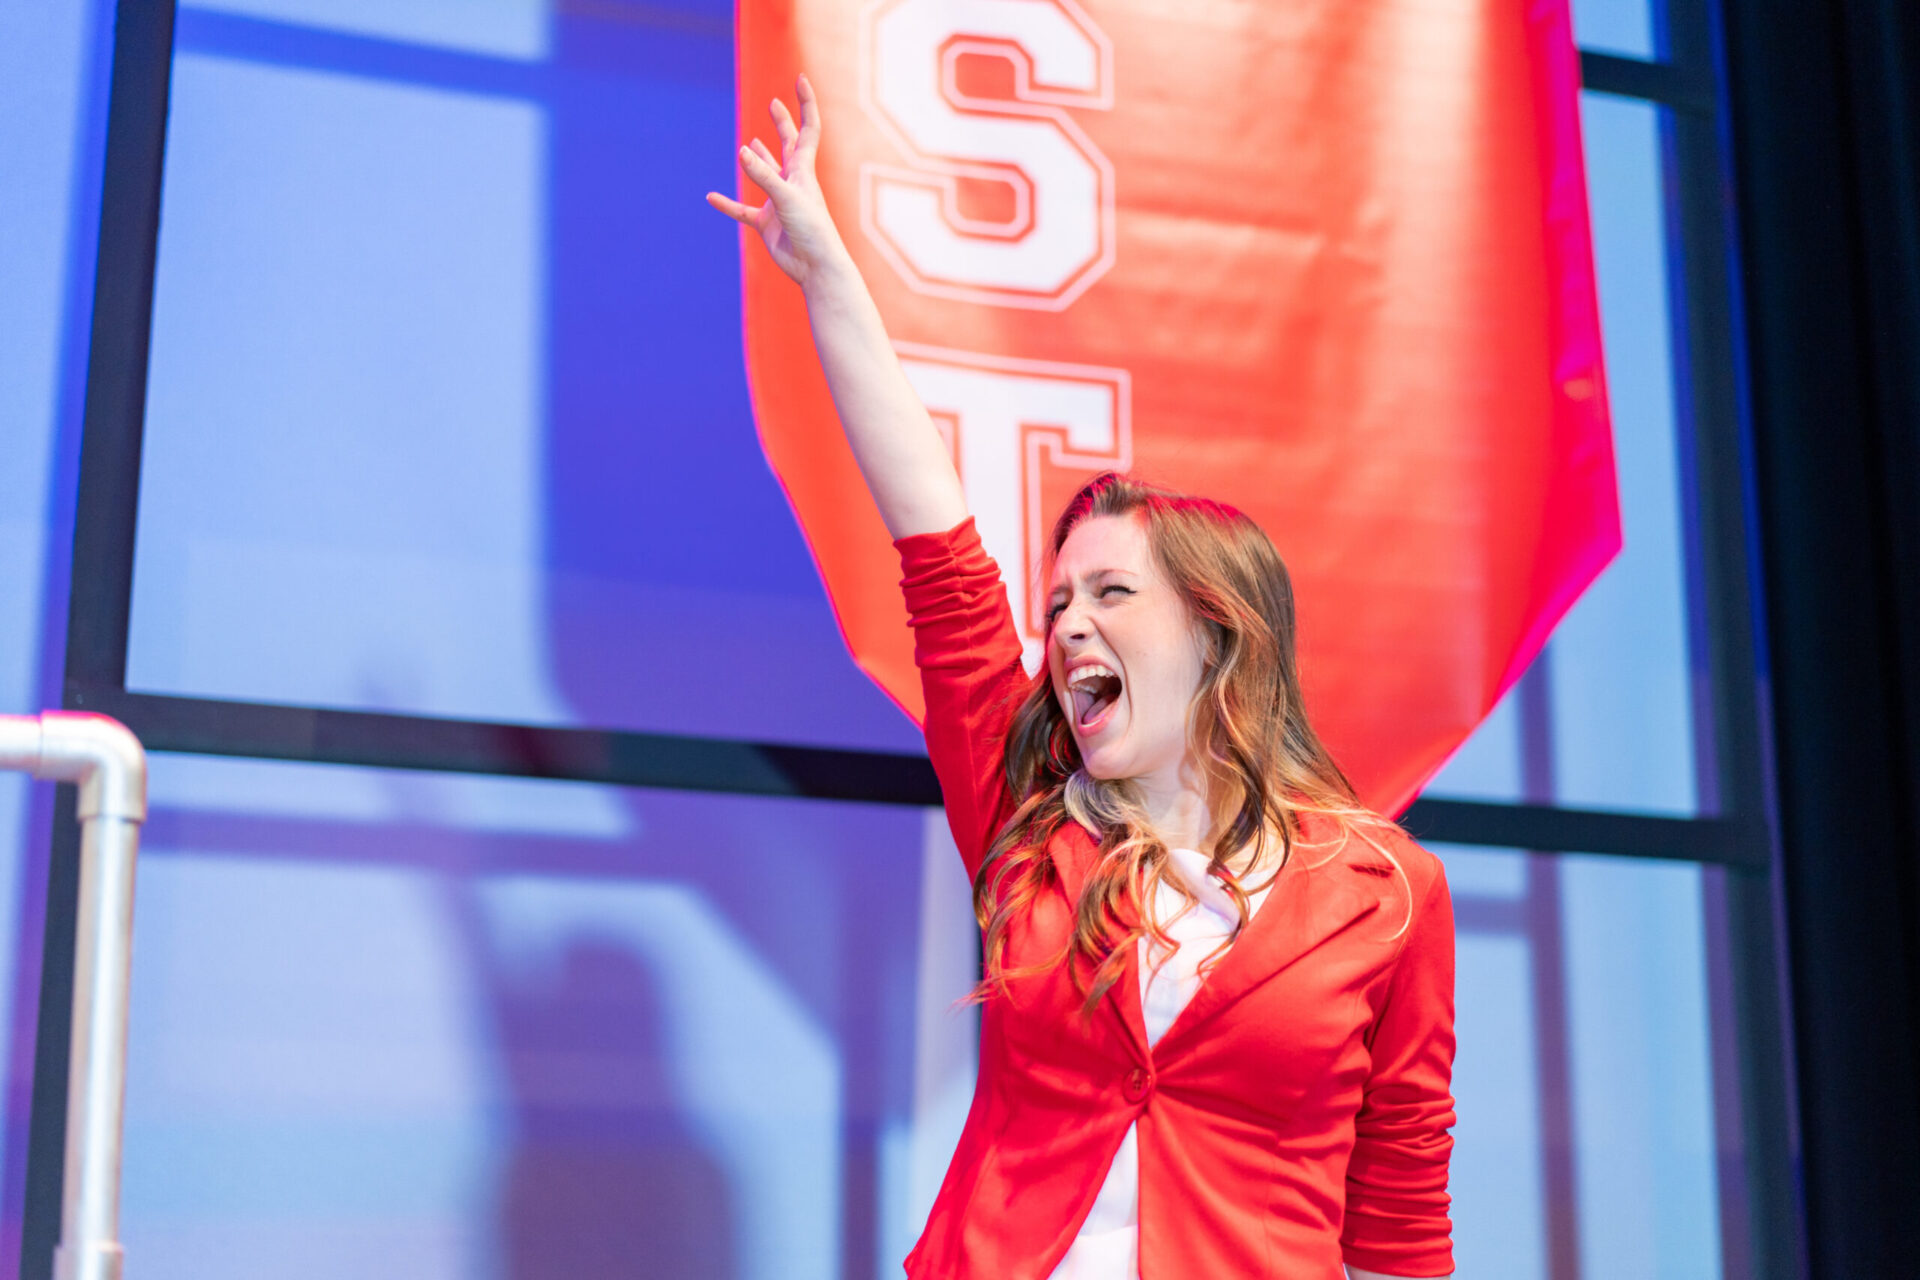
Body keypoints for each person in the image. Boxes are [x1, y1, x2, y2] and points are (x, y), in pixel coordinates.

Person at [708, 76, 1456, 1280]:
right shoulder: (1026, 813)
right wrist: (830, 276)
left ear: (1216, 636)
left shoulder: (1388, 891)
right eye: (1058, 601)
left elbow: (1401, 1215)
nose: (1067, 627)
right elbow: (932, 534)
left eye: (1112, 594)